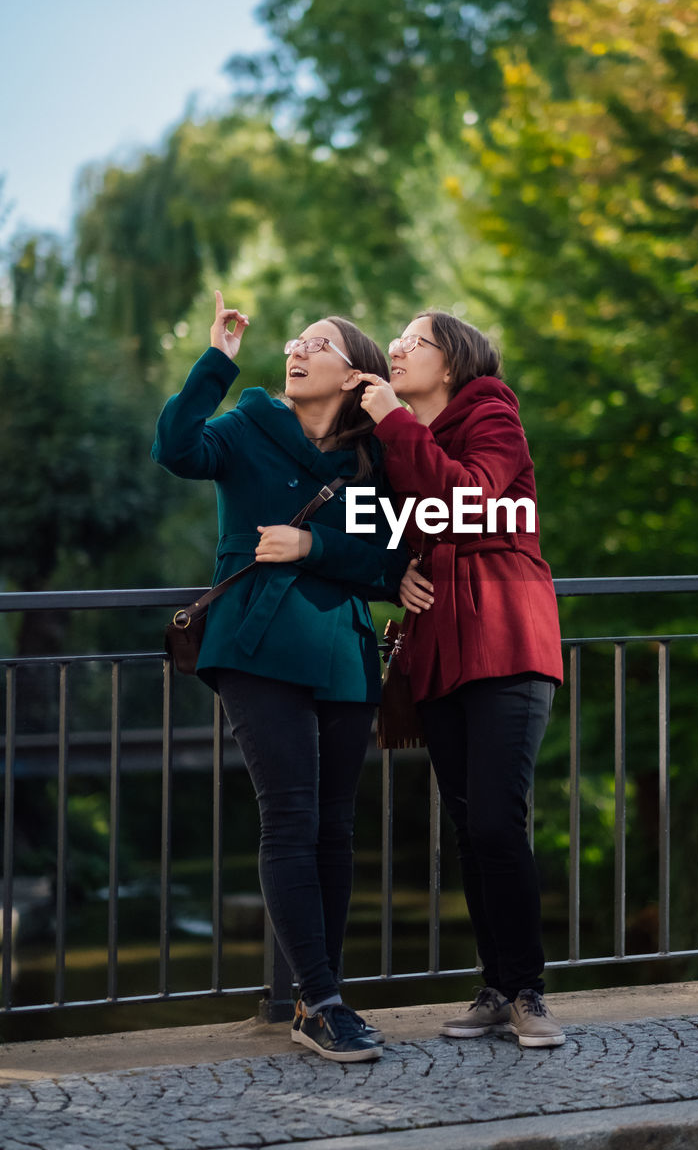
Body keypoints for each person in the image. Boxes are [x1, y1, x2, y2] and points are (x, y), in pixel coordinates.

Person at [152, 291, 406, 1063]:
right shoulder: (248, 425)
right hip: (256, 649)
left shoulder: (371, 461)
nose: (295, 348)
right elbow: (174, 446)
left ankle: (311, 998)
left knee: (334, 831)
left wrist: (312, 551)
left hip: (341, 653)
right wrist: (215, 360)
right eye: (293, 340)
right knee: (290, 819)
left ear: (354, 373)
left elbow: (390, 565)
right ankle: (324, 1001)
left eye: (316, 342)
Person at [357, 310, 566, 1048]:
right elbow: (405, 523)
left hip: (506, 640)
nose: (396, 350)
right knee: (467, 831)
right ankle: (496, 984)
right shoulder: (401, 440)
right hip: (441, 652)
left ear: (452, 362)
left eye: (413, 342)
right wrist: (402, 570)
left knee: (493, 823)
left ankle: (530, 993)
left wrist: (389, 419)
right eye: (395, 343)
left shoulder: (491, 414)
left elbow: (469, 500)